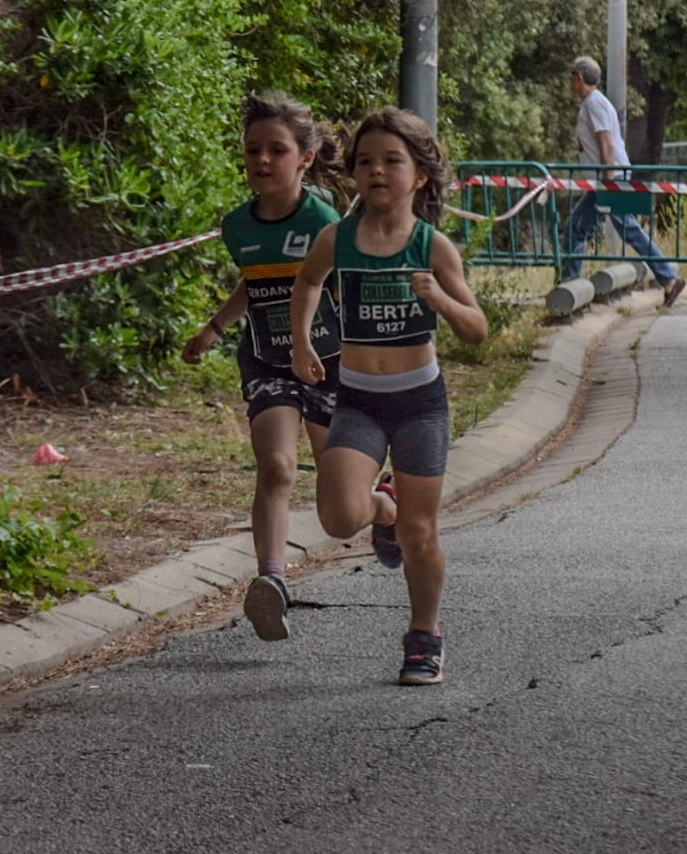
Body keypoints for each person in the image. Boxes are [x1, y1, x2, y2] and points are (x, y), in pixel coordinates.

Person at [289, 107, 488, 685]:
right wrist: (303, 342)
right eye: (366, 162)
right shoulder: (337, 239)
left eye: (392, 161)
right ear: (353, 174)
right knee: (336, 517)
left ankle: (424, 635)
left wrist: (442, 302)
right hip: (359, 402)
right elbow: (307, 282)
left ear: (419, 175)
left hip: (420, 405)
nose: (377, 171)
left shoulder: (432, 246)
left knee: (420, 535)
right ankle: (382, 505)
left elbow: (476, 330)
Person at [182, 92, 345, 643]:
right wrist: (214, 328)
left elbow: (345, 284)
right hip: (268, 358)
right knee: (275, 467)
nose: (263, 160)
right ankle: (271, 582)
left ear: (306, 157)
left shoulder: (324, 219)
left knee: (336, 496)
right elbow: (255, 282)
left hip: (329, 362)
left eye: (278, 150)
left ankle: (383, 505)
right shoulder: (237, 225)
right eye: (253, 149)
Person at [561, 55, 686, 306]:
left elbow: (605, 143)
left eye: (572, 77)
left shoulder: (593, 104)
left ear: (579, 78)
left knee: (628, 229)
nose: (570, 83)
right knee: (577, 226)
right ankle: (569, 285)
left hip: (610, 177)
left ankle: (669, 277)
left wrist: (609, 182)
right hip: (607, 179)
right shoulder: (596, 102)